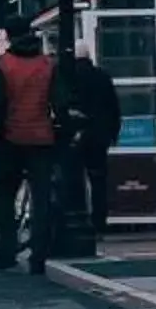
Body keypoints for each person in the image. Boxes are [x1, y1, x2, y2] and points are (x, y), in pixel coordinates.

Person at [0, 25, 62, 273]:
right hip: (41, 138)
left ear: (9, 36)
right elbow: (59, 102)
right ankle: (38, 257)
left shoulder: (2, 65)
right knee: (41, 198)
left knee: (5, 195)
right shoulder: (49, 65)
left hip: (11, 138)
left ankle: (7, 252)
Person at [59, 46, 123, 245]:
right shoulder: (102, 76)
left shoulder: (68, 78)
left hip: (76, 136)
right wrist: (113, 133)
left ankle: (78, 220)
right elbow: (114, 107)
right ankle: (99, 222)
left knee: (74, 180)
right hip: (99, 136)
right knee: (98, 181)